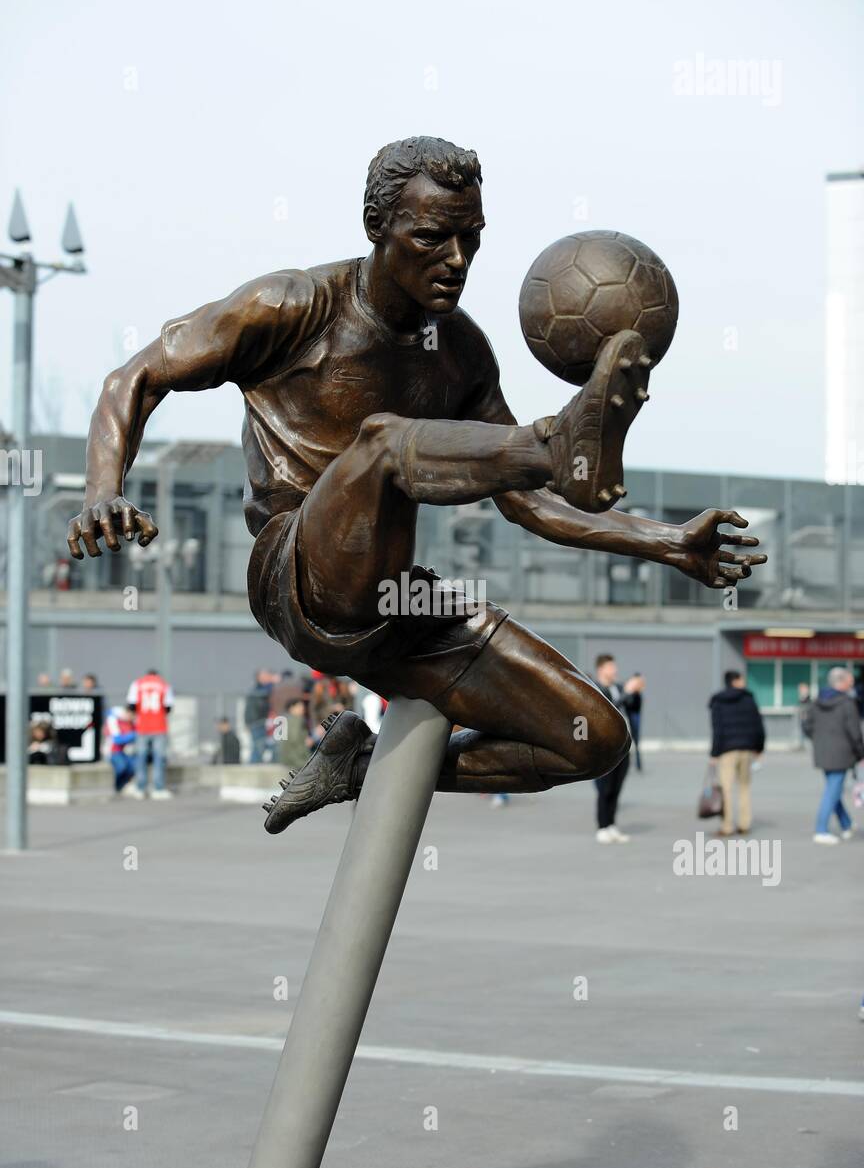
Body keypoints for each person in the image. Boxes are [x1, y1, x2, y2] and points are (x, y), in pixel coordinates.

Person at [67, 135, 764, 833]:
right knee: (385, 444)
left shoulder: (461, 353)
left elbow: (530, 505)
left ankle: (358, 768)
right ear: (378, 229)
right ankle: (554, 441)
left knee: (593, 737)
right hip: (298, 576)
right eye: (433, 237)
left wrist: (670, 544)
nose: (456, 260)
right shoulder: (293, 304)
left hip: (400, 599)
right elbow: (136, 377)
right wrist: (102, 490)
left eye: (471, 238)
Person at [802, 666, 864, 845]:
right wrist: (861, 752)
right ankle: (821, 829)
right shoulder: (847, 703)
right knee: (832, 791)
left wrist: (819, 740)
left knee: (833, 789)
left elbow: (806, 726)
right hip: (842, 754)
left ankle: (846, 824)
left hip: (822, 752)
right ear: (842, 682)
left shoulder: (816, 701)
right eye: (850, 680)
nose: (852, 683)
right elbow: (855, 732)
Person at [708, 670, 765, 837]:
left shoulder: (718, 700)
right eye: (742, 679)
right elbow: (758, 725)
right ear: (735, 681)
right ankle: (744, 824)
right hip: (746, 750)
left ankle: (727, 826)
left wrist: (714, 753)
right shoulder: (749, 699)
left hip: (727, 751)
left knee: (726, 788)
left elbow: (717, 729)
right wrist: (759, 748)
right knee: (744, 787)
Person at [591, 655, 635, 842]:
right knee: (605, 788)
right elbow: (606, 712)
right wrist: (626, 693)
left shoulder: (618, 687)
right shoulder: (595, 689)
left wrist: (635, 693)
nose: (615, 670)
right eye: (611, 666)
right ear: (601, 669)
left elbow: (632, 708)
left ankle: (612, 824)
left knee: (617, 788)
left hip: (623, 747)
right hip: (605, 748)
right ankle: (602, 826)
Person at [126, 668, 174, 798]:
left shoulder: (138, 684)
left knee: (140, 757)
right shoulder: (164, 685)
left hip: (142, 726)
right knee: (159, 758)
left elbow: (131, 705)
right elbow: (168, 707)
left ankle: (140, 787)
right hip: (159, 726)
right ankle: (158, 788)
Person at [103, 705, 137, 792]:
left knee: (134, 765)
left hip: (124, 752)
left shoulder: (131, 723)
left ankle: (123, 785)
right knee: (122, 766)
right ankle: (117, 786)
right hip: (112, 751)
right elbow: (117, 740)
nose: (133, 718)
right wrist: (134, 735)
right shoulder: (113, 719)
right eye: (132, 715)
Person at [244, 669, 274, 763]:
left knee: (261, 745)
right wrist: (272, 683)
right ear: (259, 678)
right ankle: (253, 765)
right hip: (256, 723)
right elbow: (264, 695)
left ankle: (255, 764)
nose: (268, 678)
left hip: (259, 722)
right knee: (258, 746)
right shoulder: (257, 690)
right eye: (265, 676)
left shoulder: (260, 689)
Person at [277, 699, 314, 775]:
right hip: (298, 759)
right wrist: (306, 743)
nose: (302, 709)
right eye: (299, 707)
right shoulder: (297, 719)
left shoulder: (284, 720)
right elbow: (295, 739)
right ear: (292, 708)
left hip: (287, 759)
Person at [623, 671, 645, 771]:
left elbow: (630, 704)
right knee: (633, 741)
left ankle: (638, 764)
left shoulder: (637, 694)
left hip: (635, 717)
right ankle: (636, 764)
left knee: (635, 741)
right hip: (632, 716)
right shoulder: (632, 693)